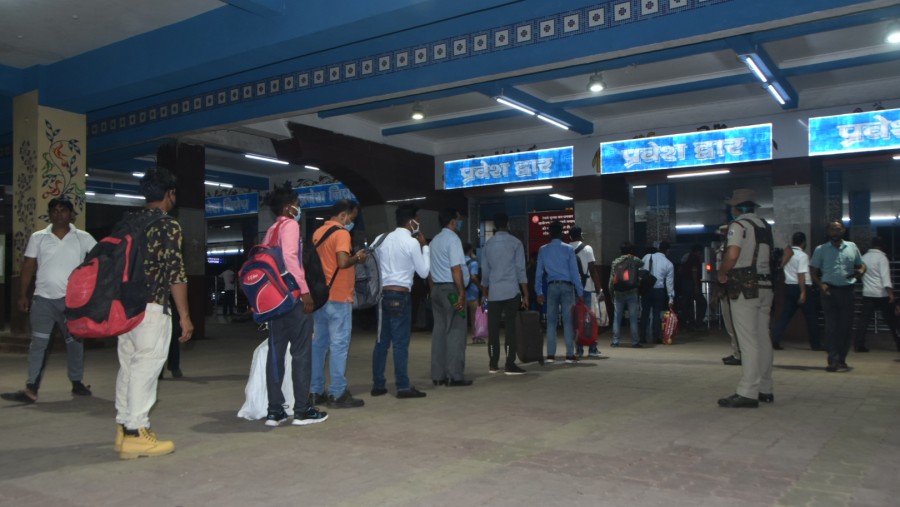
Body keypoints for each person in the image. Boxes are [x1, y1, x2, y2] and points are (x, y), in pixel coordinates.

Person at [115, 167, 194, 459]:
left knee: (129, 366)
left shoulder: (128, 222)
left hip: (125, 307)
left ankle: (124, 428)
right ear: (169, 194)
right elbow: (176, 273)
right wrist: (184, 315)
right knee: (146, 368)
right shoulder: (167, 225)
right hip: (152, 306)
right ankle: (137, 431)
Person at [1, 198, 97, 404]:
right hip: (43, 300)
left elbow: (99, 260)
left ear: (72, 215)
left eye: (63, 210)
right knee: (38, 344)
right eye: (55, 210)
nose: (58, 214)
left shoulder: (84, 238)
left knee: (75, 343)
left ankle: (77, 382)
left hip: (72, 303)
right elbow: (28, 266)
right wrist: (22, 294)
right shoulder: (39, 237)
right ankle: (31, 388)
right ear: (50, 214)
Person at [261, 184, 328, 426]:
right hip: (292, 298)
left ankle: (275, 410)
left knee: (276, 355)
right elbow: (291, 259)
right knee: (301, 353)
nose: (299, 208)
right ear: (289, 207)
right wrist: (305, 292)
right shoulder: (290, 225)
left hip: (275, 302)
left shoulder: (271, 231)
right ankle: (302, 409)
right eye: (298, 204)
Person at [716, 188, 773, 408]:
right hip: (766, 286)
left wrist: (722, 273)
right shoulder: (766, 227)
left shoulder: (738, 226)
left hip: (744, 287)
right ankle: (766, 388)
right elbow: (786, 252)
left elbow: (732, 254)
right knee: (763, 338)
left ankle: (748, 391)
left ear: (737, 208)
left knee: (747, 340)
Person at [310, 199, 368, 409]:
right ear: (344, 215)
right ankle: (337, 392)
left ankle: (315, 391)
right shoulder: (342, 233)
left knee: (319, 346)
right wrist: (358, 257)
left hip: (321, 296)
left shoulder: (318, 233)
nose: (351, 222)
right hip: (339, 296)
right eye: (351, 217)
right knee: (339, 345)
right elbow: (343, 262)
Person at [372, 204, 431, 398]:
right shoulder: (412, 242)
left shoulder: (382, 238)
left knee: (382, 342)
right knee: (400, 343)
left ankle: (378, 385)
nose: (419, 223)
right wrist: (425, 247)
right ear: (411, 221)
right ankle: (403, 386)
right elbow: (423, 272)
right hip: (401, 295)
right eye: (418, 219)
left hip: (383, 295)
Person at [810, 221, 865, 372]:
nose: (835, 232)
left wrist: (861, 271)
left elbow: (861, 265)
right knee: (831, 327)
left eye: (838, 229)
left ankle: (842, 359)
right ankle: (832, 359)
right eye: (832, 229)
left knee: (846, 326)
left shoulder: (852, 247)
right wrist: (821, 285)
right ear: (828, 232)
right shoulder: (820, 250)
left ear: (843, 230)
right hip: (829, 291)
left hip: (847, 291)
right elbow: (813, 271)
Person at [481, 212, 529, 375]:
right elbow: (520, 270)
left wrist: (485, 293)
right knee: (510, 329)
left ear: (494, 225)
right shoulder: (516, 243)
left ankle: (493, 364)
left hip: (494, 292)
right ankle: (510, 364)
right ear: (507, 224)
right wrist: (526, 294)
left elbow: (485, 272)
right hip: (511, 291)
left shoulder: (488, 245)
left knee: (493, 329)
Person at [429, 208, 472, 387]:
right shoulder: (453, 239)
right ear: (452, 221)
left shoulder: (434, 241)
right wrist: (461, 292)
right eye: (458, 219)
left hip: (437, 290)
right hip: (451, 290)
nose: (459, 222)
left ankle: (438, 375)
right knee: (455, 332)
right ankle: (455, 376)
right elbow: (456, 268)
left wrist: (432, 290)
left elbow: (429, 271)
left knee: (439, 332)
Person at [535, 221, 583, 362]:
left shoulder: (543, 250)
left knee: (551, 321)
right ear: (562, 233)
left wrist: (538, 292)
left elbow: (539, 273)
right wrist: (580, 292)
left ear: (549, 233)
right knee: (568, 321)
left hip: (551, 286)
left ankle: (550, 355)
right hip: (567, 287)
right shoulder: (568, 249)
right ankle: (569, 354)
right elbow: (575, 273)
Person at [771, 232, 823, 351]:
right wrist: (803, 292)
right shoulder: (803, 256)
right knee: (811, 318)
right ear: (804, 242)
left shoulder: (787, 254)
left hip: (789, 286)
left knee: (785, 316)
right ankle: (816, 344)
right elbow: (801, 274)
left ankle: (775, 339)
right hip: (802, 287)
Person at [853, 236, 894, 353]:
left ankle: (858, 345)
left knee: (863, 321)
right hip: (881, 294)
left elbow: (860, 274)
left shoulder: (864, 258)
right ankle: (898, 342)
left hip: (867, 293)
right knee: (892, 321)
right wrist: (890, 293)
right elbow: (885, 278)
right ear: (882, 246)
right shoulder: (882, 258)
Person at [569, 226, 602, 357]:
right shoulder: (588, 249)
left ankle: (579, 349)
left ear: (570, 236)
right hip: (586, 287)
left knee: (575, 319)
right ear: (581, 235)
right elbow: (592, 269)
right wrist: (599, 287)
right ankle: (592, 348)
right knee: (588, 318)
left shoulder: (566, 248)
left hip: (571, 288)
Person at [714, 225, 741, 366]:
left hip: (731, 289)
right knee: (730, 324)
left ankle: (739, 354)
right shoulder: (723, 248)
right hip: (727, 290)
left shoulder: (730, 249)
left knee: (733, 324)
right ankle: (737, 351)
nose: (722, 235)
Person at [639, 241, 675, 345]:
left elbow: (640, 271)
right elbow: (669, 283)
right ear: (667, 250)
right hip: (658, 291)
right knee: (656, 314)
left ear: (659, 248)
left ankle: (642, 338)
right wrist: (671, 298)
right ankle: (655, 338)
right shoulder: (669, 264)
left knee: (644, 314)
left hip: (646, 290)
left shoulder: (647, 257)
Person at [609, 242, 643, 348]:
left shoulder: (615, 262)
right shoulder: (634, 260)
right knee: (633, 317)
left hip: (618, 293)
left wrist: (611, 293)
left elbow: (611, 280)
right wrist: (632, 256)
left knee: (617, 317)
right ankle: (635, 341)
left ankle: (615, 341)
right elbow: (641, 263)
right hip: (632, 292)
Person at [678, 244, 707, 330]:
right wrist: (696, 285)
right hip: (691, 284)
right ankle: (698, 322)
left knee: (686, 304)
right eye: (700, 253)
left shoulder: (686, 257)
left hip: (684, 283)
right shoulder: (695, 258)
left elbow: (679, 270)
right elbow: (694, 271)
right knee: (702, 303)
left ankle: (684, 323)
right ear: (698, 252)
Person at [463, 243, 484, 343]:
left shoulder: (458, 262)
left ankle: (459, 337)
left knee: (460, 317)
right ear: (470, 250)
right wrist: (481, 287)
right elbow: (474, 277)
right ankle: (475, 337)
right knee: (475, 316)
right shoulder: (473, 263)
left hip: (461, 293)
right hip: (472, 292)